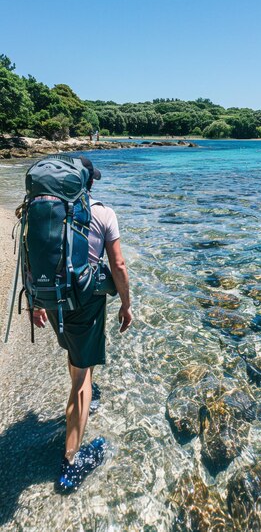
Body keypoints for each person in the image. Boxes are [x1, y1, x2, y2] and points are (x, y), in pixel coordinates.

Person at [32, 156, 132, 492]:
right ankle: (70, 464)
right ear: (89, 182)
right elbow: (117, 265)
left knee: (75, 358)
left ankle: (81, 378)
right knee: (81, 379)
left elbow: (29, 257)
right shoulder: (103, 213)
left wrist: (35, 303)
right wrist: (127, 305)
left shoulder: (43, 211)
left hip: (49, 297)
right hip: (83, 304)